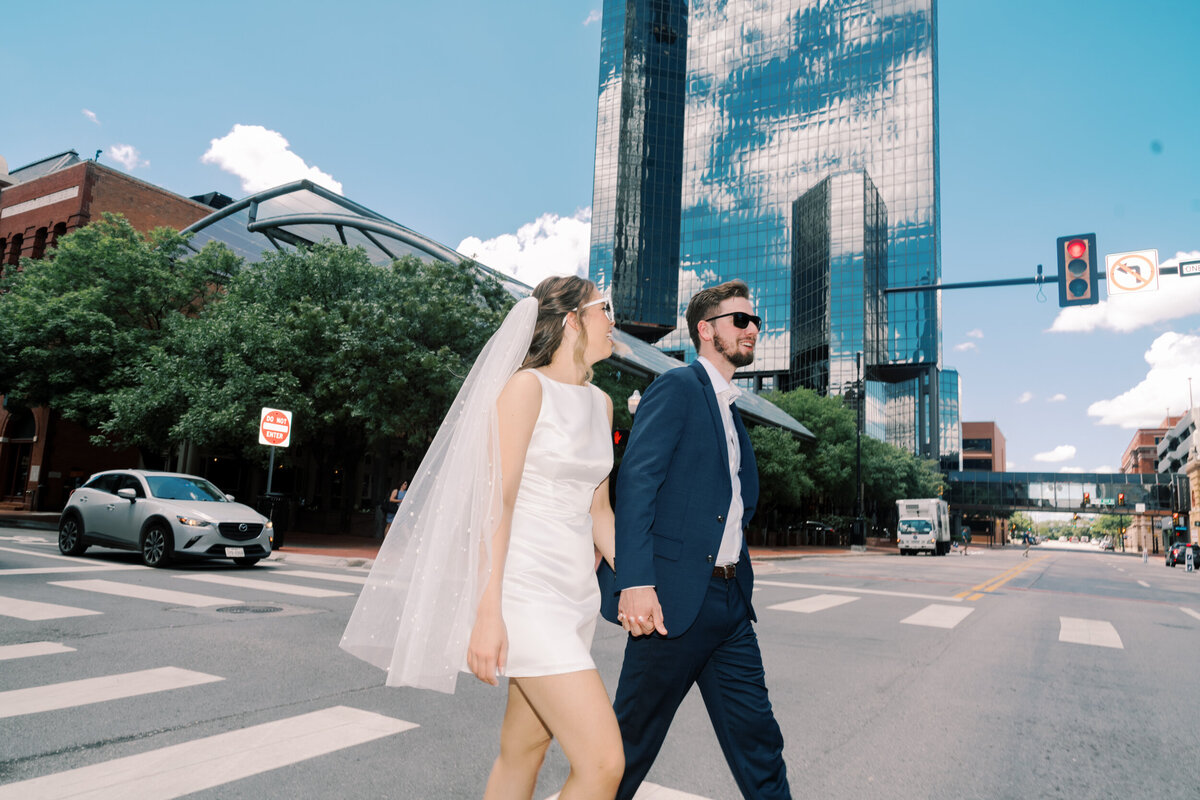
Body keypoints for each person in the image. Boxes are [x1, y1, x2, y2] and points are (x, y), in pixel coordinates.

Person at [342, 276, 623, 799]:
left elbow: (600, 511)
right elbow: (497, 503)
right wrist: (487, 612)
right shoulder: (525, 388)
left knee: (523, 753)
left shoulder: (602, 404)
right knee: (604, 763)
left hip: (574, 597)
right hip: (526, 593)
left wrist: (639, 581)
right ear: (571, 321)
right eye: (604, 308)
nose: (613, 320)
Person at [598, 280, 791, 799]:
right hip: (674, 604)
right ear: (706, 331)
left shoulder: (731, 413)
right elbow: (637, 482)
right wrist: (635, 581)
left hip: (729, 607)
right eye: (740, 320)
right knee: (629, 748)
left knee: (760, 745)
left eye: (756, 322)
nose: (752, 329)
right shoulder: (679, 387)